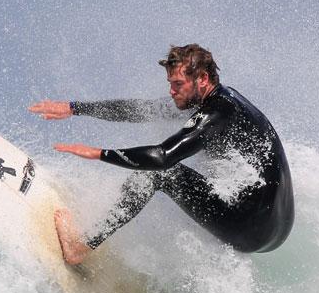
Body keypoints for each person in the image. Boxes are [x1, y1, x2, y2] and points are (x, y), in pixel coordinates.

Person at [28, 44, 294, 265]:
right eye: (170, 83)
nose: (171, 91)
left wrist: (99, 153)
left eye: (178, 83)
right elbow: (140, 110)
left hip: (251, 226)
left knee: (160, 175)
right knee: (191, 201)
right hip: (278, 229)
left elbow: (163, 157)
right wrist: (74, 108)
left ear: (202, 79)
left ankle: (80, 247)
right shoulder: (220, 100)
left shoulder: (217, 114)